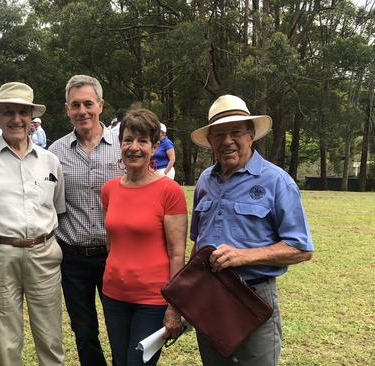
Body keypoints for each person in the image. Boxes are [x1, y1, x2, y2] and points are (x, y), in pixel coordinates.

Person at [189, 94, 314, 366]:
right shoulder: (204, 181)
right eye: (219, 134)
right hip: (210, 297)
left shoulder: (277, 181)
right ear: (210, 141)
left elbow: (301, 248)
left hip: (254, 298)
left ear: (251, 135)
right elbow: (197, 242)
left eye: (236, 132)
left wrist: (244, 256)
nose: (227, 141)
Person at [0, 82, 66, 366]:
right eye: (9, 112)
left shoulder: (50, 161)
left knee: (51, 337)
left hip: (44, 254)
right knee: (5, 341)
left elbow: (56, 208)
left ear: (32, 117)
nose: (16, 119)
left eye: (23, 112)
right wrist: (0, 239)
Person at [101, 109, 187, 365]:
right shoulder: (110, 190)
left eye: (142, 141)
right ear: (120, 143)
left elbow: (177, 253)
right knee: (119, 361)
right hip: (114, 295)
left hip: (153, 299)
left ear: (155, 145)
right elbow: (111, 241)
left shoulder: (169, 191)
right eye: (128, 140)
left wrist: (174, 306)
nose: (134, 148)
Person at [48, 74, 122, 365]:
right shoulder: (54, 152)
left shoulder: (121, 147)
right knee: (84, 330)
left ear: (100, 105)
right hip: (73, 257)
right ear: (67, 108)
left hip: (115, 255)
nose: (82, 111)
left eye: (88, 103)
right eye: (75, 105)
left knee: (119, 327)